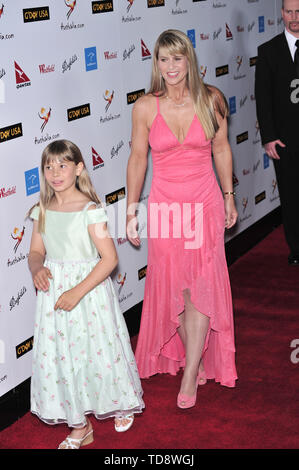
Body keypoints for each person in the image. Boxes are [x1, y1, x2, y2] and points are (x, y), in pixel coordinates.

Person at [126, 29, 238, 409]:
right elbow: (138, 158)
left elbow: (221, 149)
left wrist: (228, 196)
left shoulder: (211, 100)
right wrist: (130, 208)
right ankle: (195, 354)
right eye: (163, 59)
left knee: (202, 283)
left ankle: (190, 371)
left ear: (189, 59)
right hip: (166, 207)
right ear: (155, 63)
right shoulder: (144, 107)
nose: (171, 66)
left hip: (204, 202)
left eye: (177, 58)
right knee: (181, 288)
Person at [28, 139, 144, 449]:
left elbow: (110, 259)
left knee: (98, 350)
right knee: (63, 356)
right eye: (49, 167)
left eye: (62, 165)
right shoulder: (42, 209)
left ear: (78, 168)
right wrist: (37, 268)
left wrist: (77, 291)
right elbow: (36, 251)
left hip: (88, 292)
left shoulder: (91, 210)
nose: (55, 173)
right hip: (54, 292)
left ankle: (119, 399)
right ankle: (79, 425)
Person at [255, 0, 299, 265]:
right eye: (289, 12)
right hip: (285, 140)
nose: (294, 17)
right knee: (291, 196)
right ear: (282, 13)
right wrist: (269, 136)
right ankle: (296, 249)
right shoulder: (269, 51)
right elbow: (263, 97)